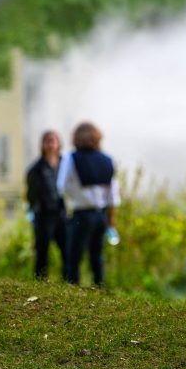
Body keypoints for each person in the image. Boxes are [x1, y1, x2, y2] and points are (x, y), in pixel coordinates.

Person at [58, 122, 120, 287]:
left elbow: (62, 186)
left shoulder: (71, 158)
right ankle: (99, 289)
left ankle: (72, 290)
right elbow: (113, 194)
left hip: (81, 214)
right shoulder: (107, 160)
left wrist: (75, 196)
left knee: (74, 256)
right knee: (97, 256)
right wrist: (111, 219)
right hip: (101, 215)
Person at [25, 130, 67, 280]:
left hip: (62, 215)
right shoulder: (35, 169)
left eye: (53, 140)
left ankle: (68, 282)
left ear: (58, 143)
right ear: (42, 144)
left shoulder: (65, 164)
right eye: (47, 141)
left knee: (67, 251)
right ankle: (40, 282)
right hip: (43, 216)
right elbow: (31, 196)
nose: (50, 144)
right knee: (42, 252)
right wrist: (32, 212)